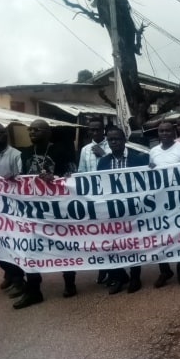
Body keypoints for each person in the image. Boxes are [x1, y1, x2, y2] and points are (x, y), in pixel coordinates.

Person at [15, 119, 77, 309]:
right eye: (30, 130)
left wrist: (56, 179)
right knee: (30, 248)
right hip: (33, 211)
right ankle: (34, 290)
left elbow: (72, 178)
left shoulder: (62, 151)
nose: (32, 132)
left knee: (65, 245)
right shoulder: (24, 153)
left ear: (48, 133)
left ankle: (69, 282)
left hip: (58, 209)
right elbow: (19, 178)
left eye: (37, 130)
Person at [97, 128, 149, 294]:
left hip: (133, 208)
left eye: (117, 139)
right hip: (111, 210)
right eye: (111, 140)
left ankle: (135, 277)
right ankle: (119, 276)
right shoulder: (103, 162)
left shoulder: (138, 159)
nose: (114, 143)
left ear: (124, 140)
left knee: (134, 243)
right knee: (112, 244)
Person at [149, 121, 180, 288]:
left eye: (168, 131)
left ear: (173, 133)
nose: (165, 133)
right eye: (161, 131)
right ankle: (165, 271)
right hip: (160, 202)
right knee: (161, 237)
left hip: (179, 201)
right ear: (158, 133)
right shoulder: (153, 152)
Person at [0, 123, 26, 299]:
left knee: (13, 245)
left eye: (2, 132)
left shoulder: (16, 155)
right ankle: (9, 272)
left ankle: (18, 279)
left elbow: (24, 180)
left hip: (13, 209)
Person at [77, 118, 111, 285]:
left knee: (112, 232)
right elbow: (81, 172)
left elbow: (118, 166)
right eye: (92, 130)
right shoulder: (84, 150)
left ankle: (114, 268)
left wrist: (104, 155)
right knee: (98, 234)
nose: (95, 132)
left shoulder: (112, 143)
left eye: (98, 129)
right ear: (89, 131)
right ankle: (103, 267)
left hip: (110, 195)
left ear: (103, 130)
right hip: (93, 197)